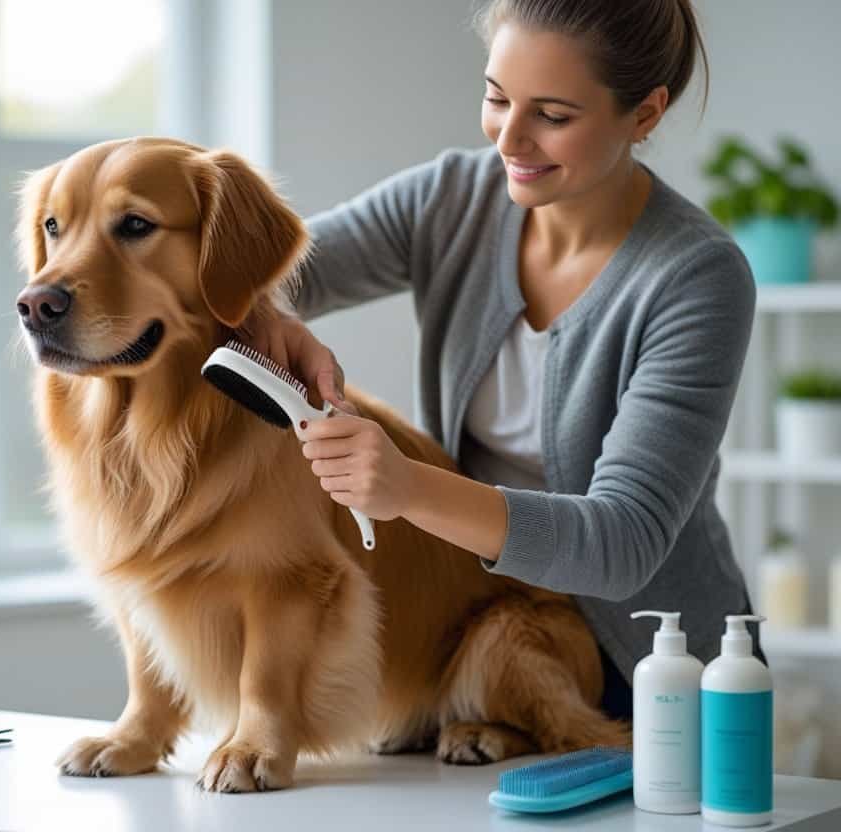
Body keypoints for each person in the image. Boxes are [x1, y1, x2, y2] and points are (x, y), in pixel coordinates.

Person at [252, 0, 763, 721]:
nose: (510, 140)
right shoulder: (449, 198)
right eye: (496, 98)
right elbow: (258, 272)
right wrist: (276, 315)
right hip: (486, 642)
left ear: (645, 114)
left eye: (552, 116)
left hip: (656, 669)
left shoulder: (696, 277)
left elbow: (621, 543)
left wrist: (406, 489)